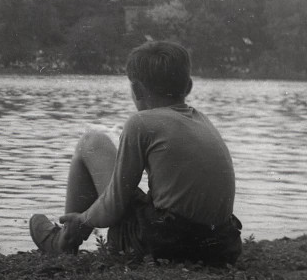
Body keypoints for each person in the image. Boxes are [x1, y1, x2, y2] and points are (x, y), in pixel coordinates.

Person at [29, 40, 242, 266]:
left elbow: (113, 206)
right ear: (188, 86)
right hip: (221, 248)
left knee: (92, 141)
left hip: (165, 247)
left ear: (137, 90)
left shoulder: (141, 122)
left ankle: (64, 241)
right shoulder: (202, 121)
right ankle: (67, 236)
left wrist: (84, 219)